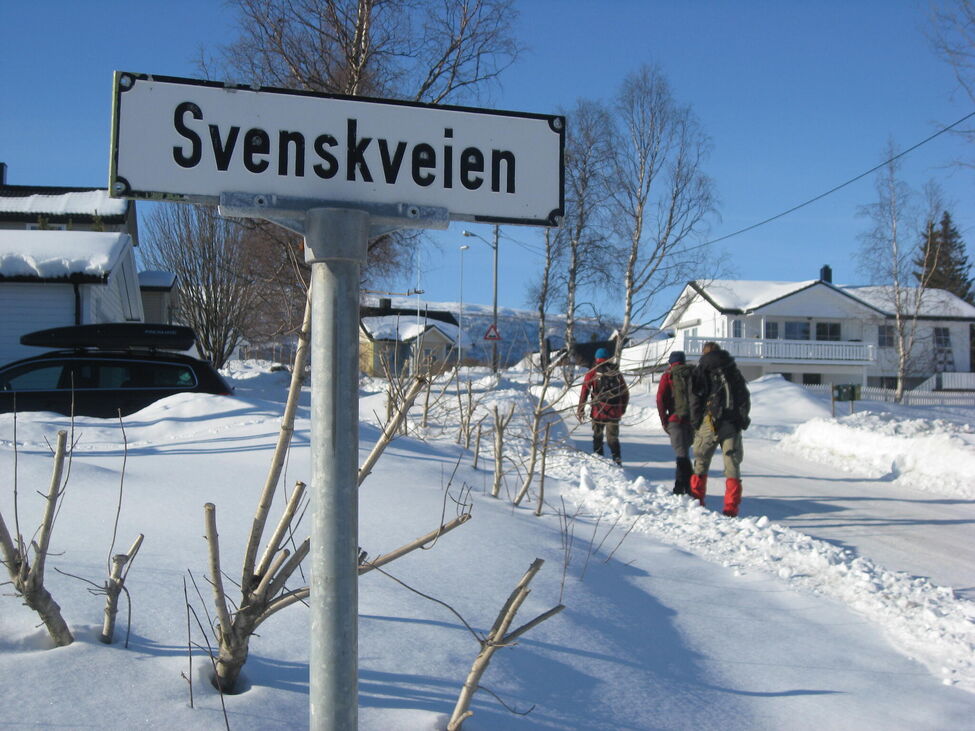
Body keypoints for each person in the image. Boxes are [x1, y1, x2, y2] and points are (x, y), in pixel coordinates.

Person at [689, 341, 751, 516]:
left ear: (704, 353)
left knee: (701, 461)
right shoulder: (732, 370)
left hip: (709, 423)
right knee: (732, 466)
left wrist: (695, 422)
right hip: (731, 424)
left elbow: (695, 399)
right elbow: (744, 396)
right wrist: (742, 419)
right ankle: (731, 509)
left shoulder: (701, 370)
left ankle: (697, 501)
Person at [577, 347, 629, 465]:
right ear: (608, 358)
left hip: (598, 411)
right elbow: (625, 392)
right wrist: (622, 409)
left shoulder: (593, 372)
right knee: (613, 438)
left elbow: (585, 390)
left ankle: (599, 461)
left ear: (596, 358)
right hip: (614, 412)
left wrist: (581, 409)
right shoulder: (615, 372)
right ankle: (617, 460)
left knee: (597, 436)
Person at [656, 350, 694, 495]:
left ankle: (688, 488)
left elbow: (660, 399)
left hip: (675, 419)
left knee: (681, 455)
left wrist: (664, 420)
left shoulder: (668, 376)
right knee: (684, 453)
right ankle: (680, 486)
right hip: (691, 420)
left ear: (670, 363)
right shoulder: (692, 374)